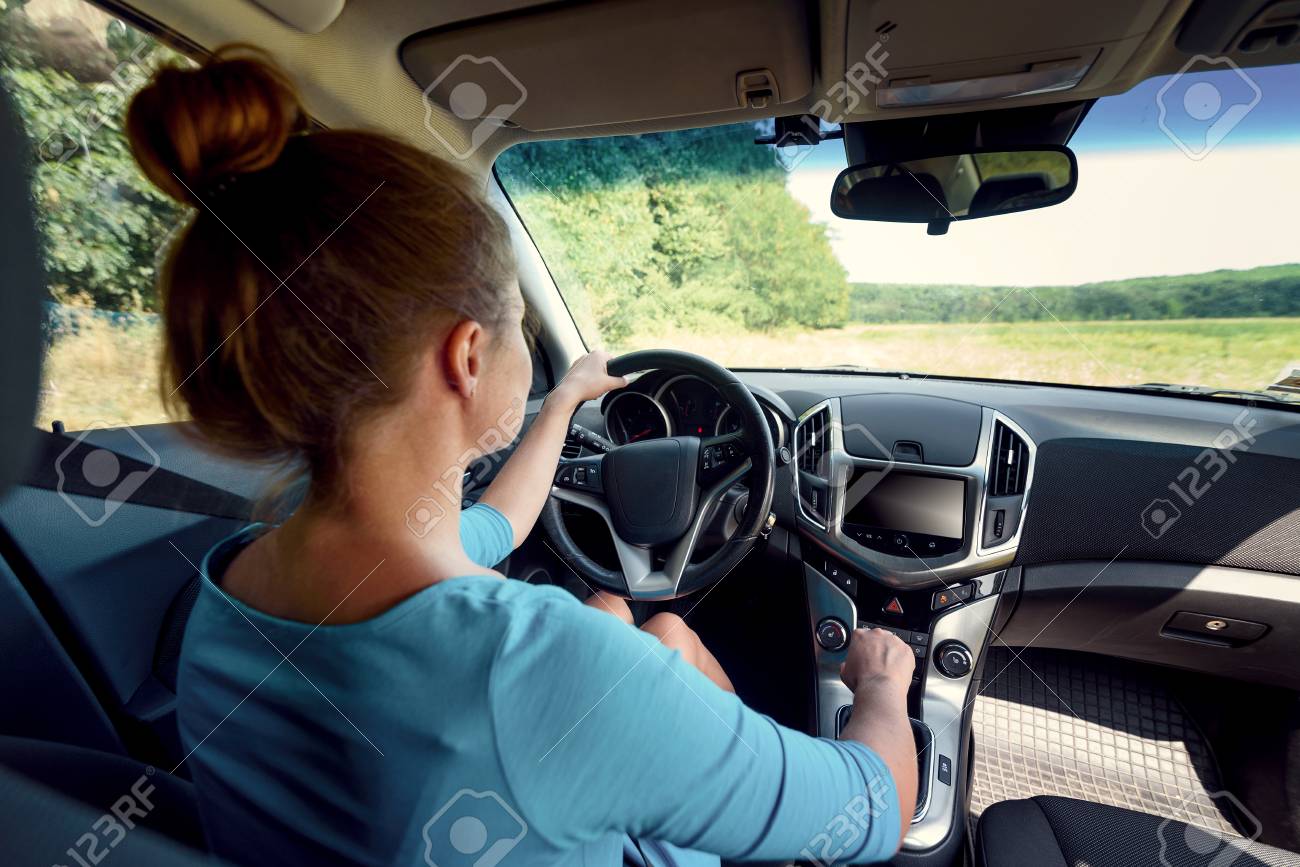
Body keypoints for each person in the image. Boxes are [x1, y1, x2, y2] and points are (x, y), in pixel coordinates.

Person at [128, 47, 918, 867]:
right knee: (636, 637)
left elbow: (498, 521)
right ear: (468, 355)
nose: (525, 346)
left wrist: (567, 397)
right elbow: (876, 806)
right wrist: (881, 684)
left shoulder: (226, 598)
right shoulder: (545, 670)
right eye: (518, 322)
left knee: (640, 620)